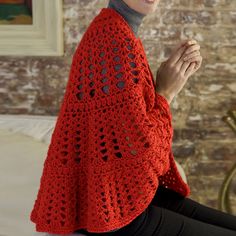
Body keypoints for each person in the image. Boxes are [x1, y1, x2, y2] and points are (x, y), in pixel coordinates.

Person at [30, 0, 236, 235]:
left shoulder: (115, 30)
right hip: (117, 215)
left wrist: (165, 86)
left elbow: (125, 136)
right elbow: (145, 155)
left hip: (122, 200)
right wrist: (167, 92)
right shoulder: (114, 40)